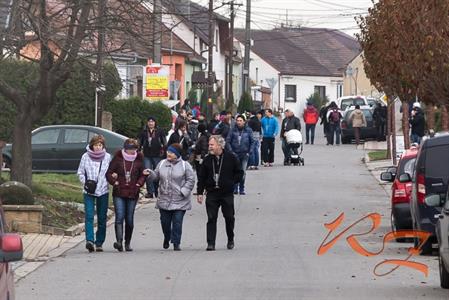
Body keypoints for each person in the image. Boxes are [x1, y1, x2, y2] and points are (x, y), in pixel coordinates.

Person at [197, 135, 243, 251]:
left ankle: (230, 239)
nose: (210, 147)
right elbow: (201, 177)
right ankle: (211, 243)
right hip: (212, 193)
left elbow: (240, 173)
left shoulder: (231, 157)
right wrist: (199, 192)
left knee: (229, 217)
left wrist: (231, 182)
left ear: (220, 145)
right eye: (209, 145)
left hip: (226, 193)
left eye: (212, 145)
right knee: (211, 218)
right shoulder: (207, 159)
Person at [146, 143, 195, 251]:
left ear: (177, 154)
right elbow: (156, 176)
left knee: (177, 222)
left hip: (180, 199)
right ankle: (167, 237)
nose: (168, 154)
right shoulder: (162, 163)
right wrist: (149, 173)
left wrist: (184, 191)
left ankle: (176, 242)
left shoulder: (185, 165)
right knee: (165, 222)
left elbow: (191, 180)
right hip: (164, 198)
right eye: (168, 151)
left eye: (171, 152)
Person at [106, 139, 147, 252]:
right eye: (129, 149)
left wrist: (139, 183)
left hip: (133, 192)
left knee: (129, 219)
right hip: (119, 191)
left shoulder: (139, 159)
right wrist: (114, 182)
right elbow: (109, 172)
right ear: (125, 149)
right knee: (119, 216)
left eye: (133, 149)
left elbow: (143, 174)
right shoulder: (118, 158)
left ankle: (127, 243)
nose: (131, 152)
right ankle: (119, 242)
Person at [77, 135, 111, 252]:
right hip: (89, 191)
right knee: (89, 216)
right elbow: (80, 172)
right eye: (96, 145)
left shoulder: (107, 157)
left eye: (100, 145)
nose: (98, 147)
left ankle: (99, 242)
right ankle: (90, 240)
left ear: (103, 146)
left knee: (102, 217)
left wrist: (110, 179)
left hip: (103, 190)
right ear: (92, 145)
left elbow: (109, 173)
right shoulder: (85, 157)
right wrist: (85, 182)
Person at [138, 116, 167, 199]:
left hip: (158, 155)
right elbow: (139, 143)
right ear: (147, 123)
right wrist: (138, 153)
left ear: (155, 123)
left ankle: (157, 190)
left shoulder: (160, 131)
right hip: (146, 155)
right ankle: (150, 192)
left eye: (152, 121)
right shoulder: (143, 132)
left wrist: (165, 152)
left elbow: (164, 143)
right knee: (148, 172)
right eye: (149, 121)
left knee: (157, 173)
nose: (151, 123)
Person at [226, 114, 254, 195]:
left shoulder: (248, 130)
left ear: (244, 122)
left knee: (243, 172)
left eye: (240, 121)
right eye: (237, 121)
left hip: (245, 154)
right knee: (234, 171)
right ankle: (235, 187)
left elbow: (252, 142)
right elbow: (228, 141)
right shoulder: (232, 130)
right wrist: (231, 151)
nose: (239, 122)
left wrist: (250, 152)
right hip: (234, 154)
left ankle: (242, 188)